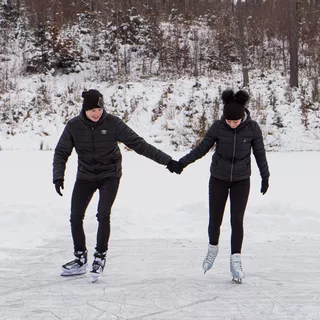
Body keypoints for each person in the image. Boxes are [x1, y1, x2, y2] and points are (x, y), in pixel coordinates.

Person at [53, 89, 179, 277]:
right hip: (85, 176)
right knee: (75, 216)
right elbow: (61, 152)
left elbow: (139, 144)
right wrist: (58, 176)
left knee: (103, 214)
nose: (96, 114)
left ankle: (99, 256)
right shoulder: (73, 126)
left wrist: (167, 161)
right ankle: (80, 258)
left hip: (109, 176)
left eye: (99, 109)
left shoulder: (113, 124)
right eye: (92, 110)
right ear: (84, 110)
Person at [167, 89, 270, 283]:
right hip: (218, 178)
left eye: (235, 121)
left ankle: (235, 260)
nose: (232, 124)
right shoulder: (217, 127)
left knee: (236, 220)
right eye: (229, 121)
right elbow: (201, 149)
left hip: (241, 179)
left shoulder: (252, 128)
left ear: (243, 116)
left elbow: (260, 153)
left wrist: (265, 176)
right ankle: (212, 249)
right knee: (215, 219)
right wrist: (182, 163)